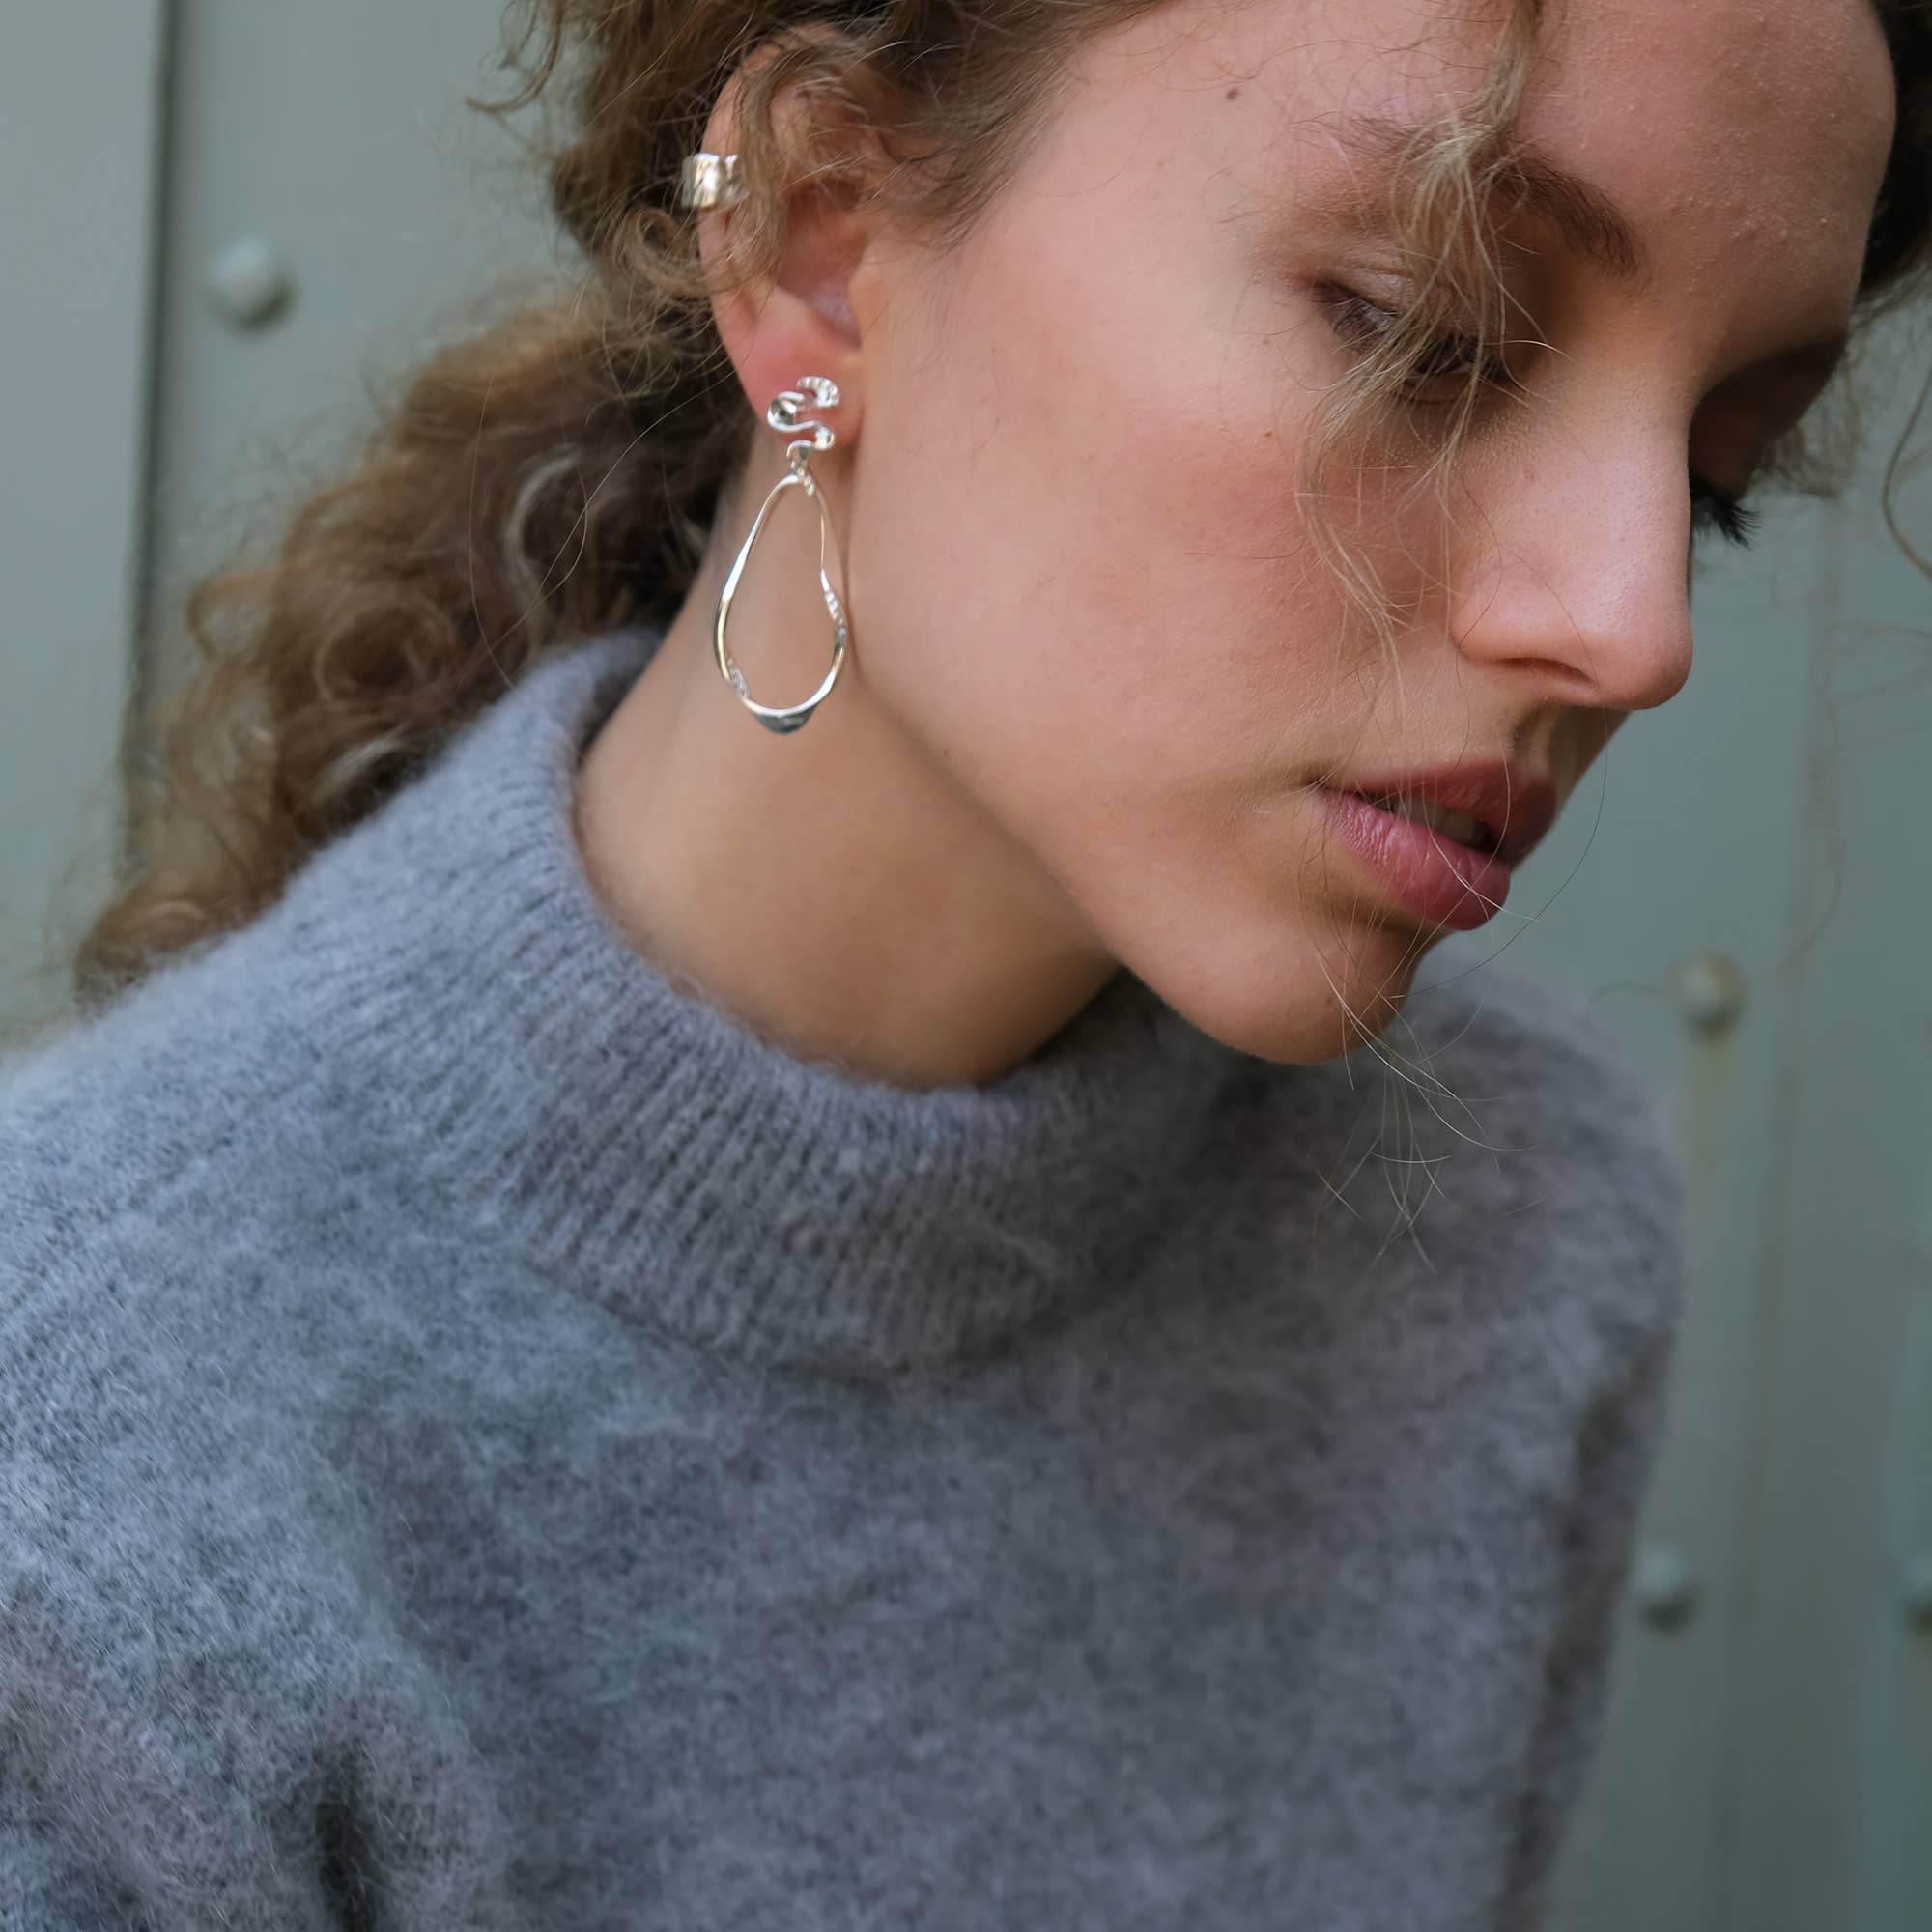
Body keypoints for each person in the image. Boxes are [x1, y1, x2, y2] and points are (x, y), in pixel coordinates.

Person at [0, 0, 1925, 1924]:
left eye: (1711, 472)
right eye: (1430, 334)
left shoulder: (1501, 1242)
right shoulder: (88, 1437)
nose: (1631, 621)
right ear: (823, 240)